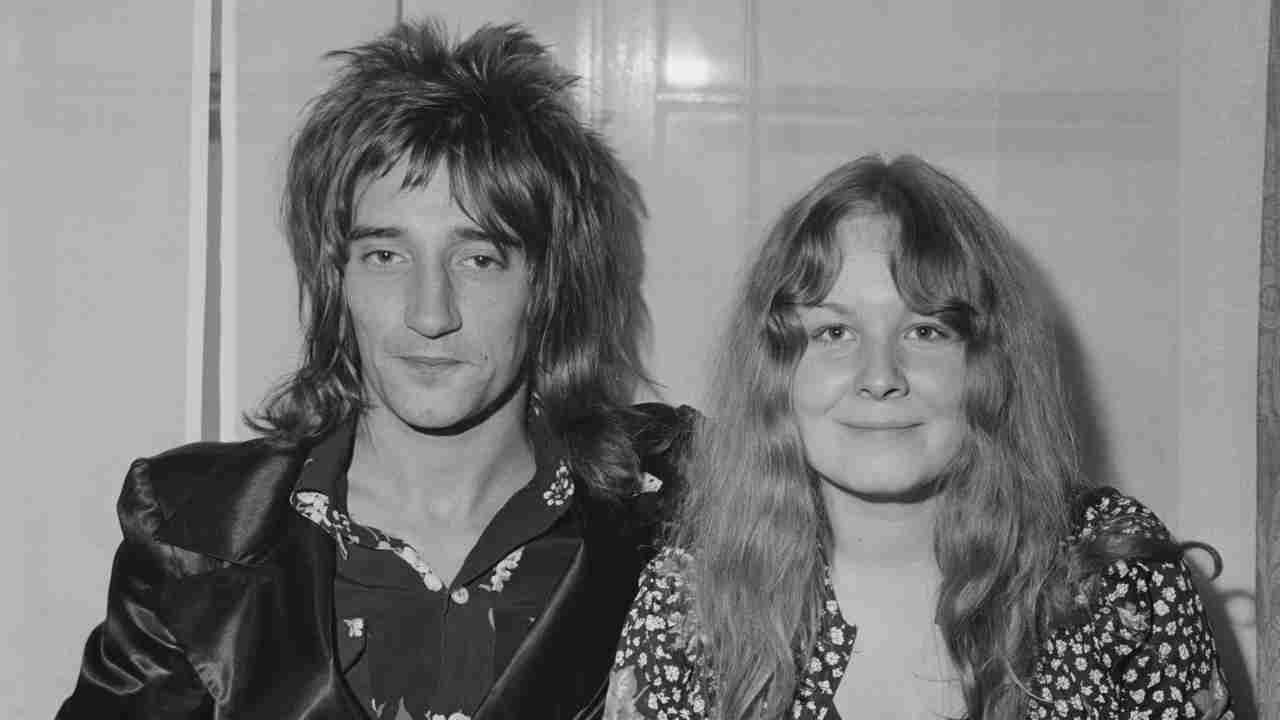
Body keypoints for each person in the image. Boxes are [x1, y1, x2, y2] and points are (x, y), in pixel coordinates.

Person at [59, 19, 693, 720]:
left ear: (545, 284)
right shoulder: (195, 534)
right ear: (337, 279)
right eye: (385, 256)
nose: (430, 313)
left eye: (477, 259)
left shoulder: (666, 527)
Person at [604, 155, 1233, 720]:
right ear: (776, 372)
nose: (880, 377)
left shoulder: (1119, 581)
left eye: (926, 331)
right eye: (833, 333)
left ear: (989, 362)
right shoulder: (686, 609)